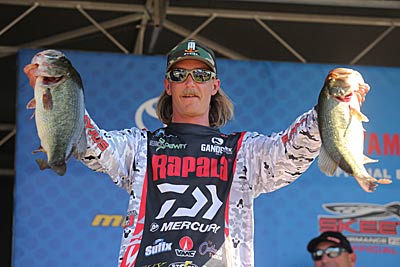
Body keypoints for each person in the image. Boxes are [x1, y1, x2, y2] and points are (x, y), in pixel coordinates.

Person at [24, 39, 321, 266]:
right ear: (168, 85)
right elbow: (91, 145)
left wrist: (329, 110)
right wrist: (53, 92)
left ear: (215, 86)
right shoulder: (140, 147)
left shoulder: (242, 152)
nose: (190, 83)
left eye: (201, 76)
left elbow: (288, 155)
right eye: (180, 75)